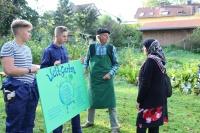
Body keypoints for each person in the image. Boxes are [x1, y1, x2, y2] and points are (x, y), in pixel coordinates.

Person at [0, 19, 40, 133]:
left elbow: (27, 65)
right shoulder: (8, 46)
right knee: (15, 122)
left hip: (30, 89)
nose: (30, 34)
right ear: (21, 31)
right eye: (28, 31)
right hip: (17, 90)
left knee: (29, 122)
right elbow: (9, 70)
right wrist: (30, 70)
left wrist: (41, 67)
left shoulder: (27, 49)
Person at [40, 26, 82, 133]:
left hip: (67, 85)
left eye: (66, 36)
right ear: (56, 36)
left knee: (75, 110)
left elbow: (66, 66)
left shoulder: (64, 48)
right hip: (55, 89)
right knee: (58, 116)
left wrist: (76, 63)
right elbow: (43, 71)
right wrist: (53, 66)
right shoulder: (48, 51)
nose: (66, 38)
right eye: (64, 36)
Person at [82, 28, 120, 133]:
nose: (107, 38)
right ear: (98, 37)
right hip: (94, 79)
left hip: (107, 79)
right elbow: (86, 60)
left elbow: (116, 64)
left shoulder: (111, 48)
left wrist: (110, 73)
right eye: (105, 35)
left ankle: (114, 126)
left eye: (108, 36)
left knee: (111, 102)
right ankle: (89, 121)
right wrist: (84, 68)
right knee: (91, 100)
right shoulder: (91, 47)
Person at [136, 39, 168, 133]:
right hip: (159, 100)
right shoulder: (160, 60)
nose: (143, 49)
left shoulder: (150, 60)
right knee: (154, 126)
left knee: (141, 125)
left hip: (148, 100)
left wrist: (139, 100)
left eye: (144, 47)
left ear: (148, 48)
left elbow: (146, 84)